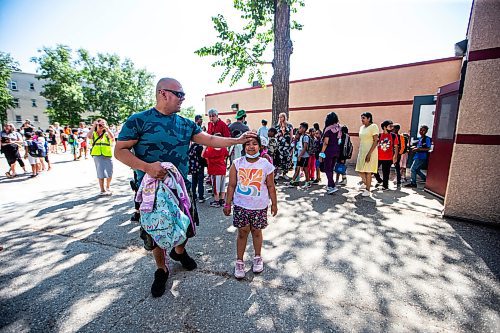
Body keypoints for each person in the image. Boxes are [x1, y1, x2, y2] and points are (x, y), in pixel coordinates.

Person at [114, 77, 255, 298]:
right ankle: (161, 269)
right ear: (163, 93)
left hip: (180, 188)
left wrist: (238, 141)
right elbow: (119, 150)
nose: (183, 98)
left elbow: (210, 140)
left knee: (187, 227)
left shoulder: (185, 123)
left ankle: (179, 252)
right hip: (151, 191)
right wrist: (146, 167)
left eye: (183, 95)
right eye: (179, 94)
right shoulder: (138, 121)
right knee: (155, 233)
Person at [223, 135, 277, 279]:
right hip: (241, 205)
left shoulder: (266, 165)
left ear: (260, 146)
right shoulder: (237, 163)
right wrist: (227, 203)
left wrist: (274, 204)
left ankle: (258, 257)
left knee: (256, 232)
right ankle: (239, 261)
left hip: (259, 206)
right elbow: (232, 185)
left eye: (254, 144)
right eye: (248, 144)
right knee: (242, 232)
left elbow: (271, 186)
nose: (251, 146)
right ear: (243, 146)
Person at [87, 118, 115, 195]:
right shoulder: (94, 133)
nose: (101, 126)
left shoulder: (106, 133)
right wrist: (93, 127)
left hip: (107, 154)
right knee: (100, 172)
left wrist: (107, 128)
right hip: (97, 154)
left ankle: (108, 187)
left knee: (110, 171)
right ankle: (102, 190)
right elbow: (89, 136)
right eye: (100, 124)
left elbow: (112, 137)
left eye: (103, 124)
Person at [355, 112, 379, 197]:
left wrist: (369, 154)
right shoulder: (362, 127)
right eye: (361, 118)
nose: (362, 120)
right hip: (362, 151)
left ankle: (368, 190)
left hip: (370, 152)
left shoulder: (373, 126)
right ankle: (366, 184)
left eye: (364, 118)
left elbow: (376, 141)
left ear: (369, 118)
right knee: (360, 169)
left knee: (368, 171)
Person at [202, 134, 229, 207]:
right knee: (222, 186)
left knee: (216, 187)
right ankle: (222, 200)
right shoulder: (223, 148)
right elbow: (226, 155)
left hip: (214, 170)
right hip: (222, 169)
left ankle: (216, 201)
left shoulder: (210, 148)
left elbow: (203, 155)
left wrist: (205, 147)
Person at [318, 113, 342, 194]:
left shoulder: (328, 129)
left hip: (328, 151)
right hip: (336, 150)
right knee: (331, 169)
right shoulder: (338, 128)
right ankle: (329, 185)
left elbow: (325, 143)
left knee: (327, 169)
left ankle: (332, 186)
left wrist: (321, 153)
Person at [374, 120, 399, 190]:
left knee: (386, 172)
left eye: (392, 126)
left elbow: (396, 146)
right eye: (390, 126)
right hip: (378, 157)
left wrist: (395, 156)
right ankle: (379, 180)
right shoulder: (379, 135)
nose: (392, 128)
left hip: (388, 158)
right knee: (373, 170)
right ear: (385, 127)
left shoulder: (393, 136)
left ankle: (385, 186)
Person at [290, 122, 311, 188]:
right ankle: (293, 181)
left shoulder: (306, 137)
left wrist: (300, 156)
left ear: (304, 129)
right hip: (300, 155)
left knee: (305, 169)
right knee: (298, 168)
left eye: (300, 128)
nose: (299, 129)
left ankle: (308, 182)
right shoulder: (301, 136)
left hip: (304, 156)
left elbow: (304, 148)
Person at [274, 112, 294, 180]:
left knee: (286, 159)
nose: (280, 118)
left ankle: (285, 173)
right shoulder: (277, 126)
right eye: (279, 117)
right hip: (279, 145)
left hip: (287, 145)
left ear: (284, 117)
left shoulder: (289, 125)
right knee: (279, 159)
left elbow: (291, 135)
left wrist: (291, 144)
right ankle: (277, 173)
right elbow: (275, 135)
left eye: (281, 117)